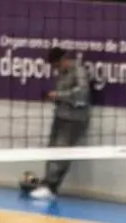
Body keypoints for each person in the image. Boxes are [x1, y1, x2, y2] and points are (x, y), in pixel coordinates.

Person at [27, 47, 92, 200]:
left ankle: (51, 187)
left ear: (63, 59)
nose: (55, 69)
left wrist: (59, 95)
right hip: (60, 116)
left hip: (74, 119)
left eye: (56, 65)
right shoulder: (61, 74)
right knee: (52, 150)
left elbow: (83, 93)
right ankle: (47, 183)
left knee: (62, 153)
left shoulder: (79, 70)